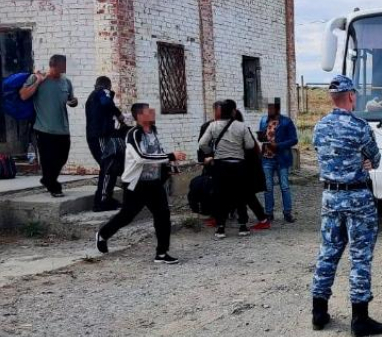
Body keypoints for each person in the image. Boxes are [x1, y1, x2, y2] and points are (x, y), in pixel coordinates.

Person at [310, 74, 382, 337]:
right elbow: (375, 158)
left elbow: (322, 156)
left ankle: (318, 312)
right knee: (360, 255)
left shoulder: (319, 127)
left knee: (328, 252)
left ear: (332, 98)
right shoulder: (360, 127)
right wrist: (364, 161)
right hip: (357, 199)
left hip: (331, 198)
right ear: (352, 96)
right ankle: (360, 319)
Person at [95, 103, 186, 264]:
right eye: (148, 111)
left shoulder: (153, 132)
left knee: (163, 215)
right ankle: (103, 234)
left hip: (154, 183)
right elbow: (141, 157)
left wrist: (169, 166)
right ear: (139, 116)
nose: (152, 113)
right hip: (136, 184)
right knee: (127, 216)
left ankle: (162, 253)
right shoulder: (133, 134)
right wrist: (170, 156)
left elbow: (157, 153)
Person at [18, 54, 78, 197]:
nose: (65, 68)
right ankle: (53, 186)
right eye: (63, 65)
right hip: (43, 128)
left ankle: (47, 179)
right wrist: (38, 81)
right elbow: (23, 95)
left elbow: (72, 100)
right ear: (54, 65)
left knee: (62, 157)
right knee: (48, 159)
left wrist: (73, 101)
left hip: (63, 129)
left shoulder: (66, 82)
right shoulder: (37, 78)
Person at [198, 99, 256, 238]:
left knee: (220, 196)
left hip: (220, 165)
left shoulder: (213, 126)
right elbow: (250, 145)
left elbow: (202, 143)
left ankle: (220, 227)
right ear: (233, 111)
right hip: (238, 165)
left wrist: (211, 153)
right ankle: (242, 226)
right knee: (240, 195)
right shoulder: (241, 126)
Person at [85, 76, 125, 211]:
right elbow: (106, 103)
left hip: (95, 136)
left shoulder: (92, 97)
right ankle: (100, 202)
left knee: (111, 167)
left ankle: (106, 198)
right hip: (100, 137)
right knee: (108, 167)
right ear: (107, 85)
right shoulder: (102, 92)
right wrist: (119, 115)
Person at [258, 101, 298, 223]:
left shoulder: (286, 121)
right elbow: (262, 136)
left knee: (285, 187)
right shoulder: (263, 120)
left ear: (277, 109)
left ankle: (287, 213)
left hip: (282, 159)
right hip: (266, 159)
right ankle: (269, 213)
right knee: (268, 187)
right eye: (268, 108)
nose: (269, 111)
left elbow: (294, 139)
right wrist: (260, 137)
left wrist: (278, 145)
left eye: (271, 108)